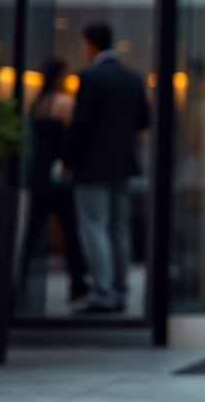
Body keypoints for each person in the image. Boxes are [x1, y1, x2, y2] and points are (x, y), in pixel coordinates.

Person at [58, 21, 150, 314]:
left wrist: (67, 162)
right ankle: (120, 290)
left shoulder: (91, 77)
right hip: (124, 163)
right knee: (119, 227)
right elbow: (144, 120)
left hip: (93, 166)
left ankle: (104, 293)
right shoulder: (133, 78)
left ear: (89, 44)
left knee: (94, 227)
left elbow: (80, 125)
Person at [17, 57, 89, 309]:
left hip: (38, 174)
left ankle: (19, 281)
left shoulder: (37, 104)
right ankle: (78, 286)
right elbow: (75, 138)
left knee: (32, 231)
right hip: (59, 174)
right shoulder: (64, 103)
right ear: (60, 76)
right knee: (72, 230)